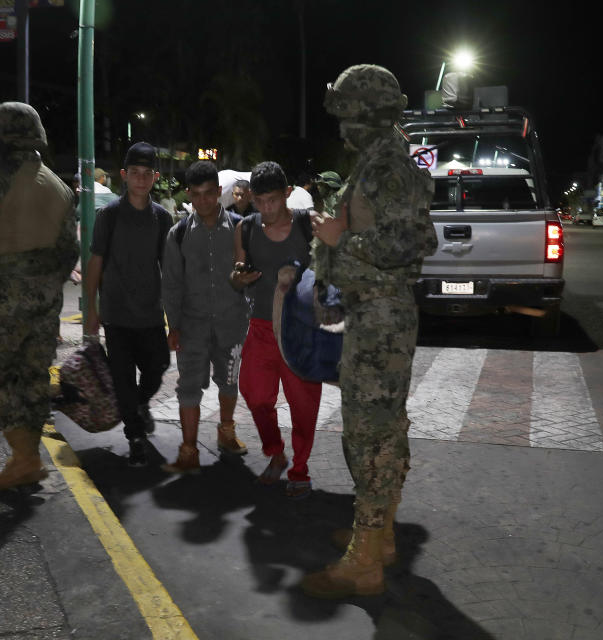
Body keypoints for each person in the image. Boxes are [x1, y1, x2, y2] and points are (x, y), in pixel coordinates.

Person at [300, 64, 438, 599]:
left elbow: (410, 243)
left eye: (347, 115)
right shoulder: (377, 161)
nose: (341, 128)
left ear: (368, 113)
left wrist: (338, 240)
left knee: (370, 433)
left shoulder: (390, 166)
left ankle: (364, 560)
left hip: (382, 319)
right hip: (374, 315)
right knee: (381, 427)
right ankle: (376, 539)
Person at [0, 101, 79, 491]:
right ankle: (25, 458)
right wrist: (45, 283)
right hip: (45, 303)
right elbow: (69, 250)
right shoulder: (58, 185)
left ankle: (24, 458)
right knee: (32, 378)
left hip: (1, 301)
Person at [230, 161, 322, 499]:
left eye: (273, 200)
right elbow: (236, 274)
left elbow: (333, 266)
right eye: (260, 201)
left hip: (299, 330)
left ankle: (300, 468)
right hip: (261, 328)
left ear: (287, 194)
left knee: (303, 405)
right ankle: (276, 452)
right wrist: (238, 279)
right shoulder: (246, 229)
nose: (266, 209)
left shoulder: (307, 225)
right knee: (254, 395)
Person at [84, 142, 174, 467]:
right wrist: (91, 309)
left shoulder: (162, 218)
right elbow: (96, 261)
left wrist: (175, 317)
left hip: (151, 313)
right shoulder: (109, 215)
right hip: (117, 314)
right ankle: (135, 436)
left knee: (159, 366)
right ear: (124, 176)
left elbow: (170, 268)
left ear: (155, 177)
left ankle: (138, 404)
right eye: (134, 173)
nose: (140, 179)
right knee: (122, 379)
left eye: (146, 173)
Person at [159, 160, 249, 474]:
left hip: (231, 323)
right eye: (196, 195)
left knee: (229, 382)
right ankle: (188, 451)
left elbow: (252, 272)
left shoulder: (240, 227)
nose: (203, 201)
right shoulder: (179, 232)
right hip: (192, 325)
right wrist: (173, 325)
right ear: (189, 194)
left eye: (209, 193)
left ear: (219, 192)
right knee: (188, 387)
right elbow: (171, 283)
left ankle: (226, 434)